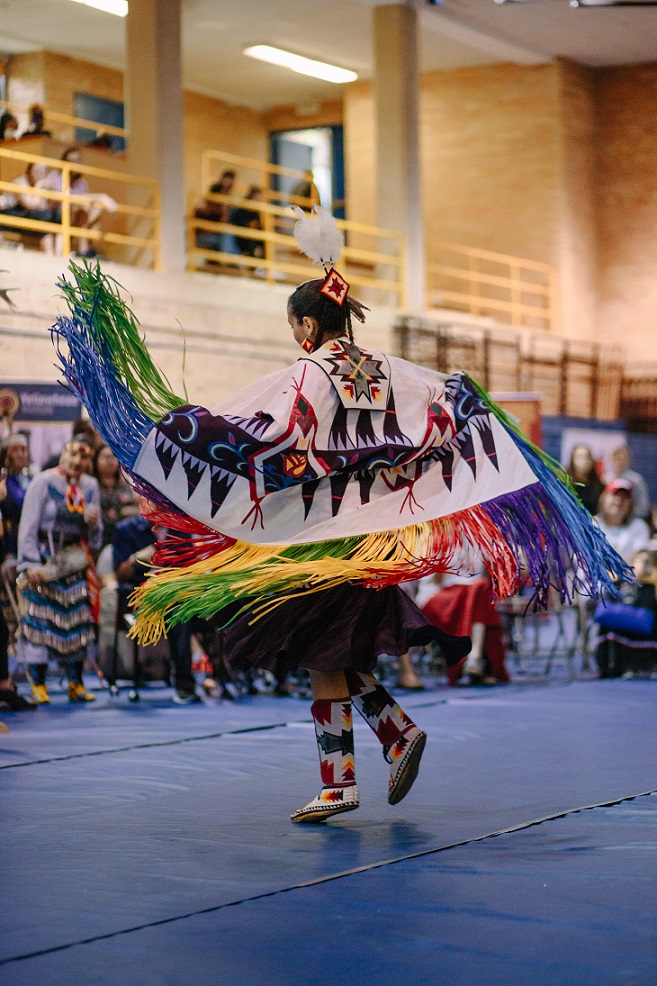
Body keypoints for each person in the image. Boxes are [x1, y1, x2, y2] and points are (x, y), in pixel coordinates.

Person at [52, 219, 630, 823]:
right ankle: (395, 734)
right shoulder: (388, 368)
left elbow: (269, 439)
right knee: (330, 650)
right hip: (368, 541)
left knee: (324, 654)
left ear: (306, 324)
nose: (295, 337)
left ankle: (342, 782)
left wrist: (185, 430)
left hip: (320, 541)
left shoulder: (308, 374)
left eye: (293, 327)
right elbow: (444, 405)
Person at [16, 435, 102, 703]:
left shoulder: (90, 486)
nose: (77, 461)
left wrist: (94, 523)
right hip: (44, 558)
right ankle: (39, 684)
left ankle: (75, 683)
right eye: (73, 454)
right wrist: (29, 564)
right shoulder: (43, 482)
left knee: (76, 621)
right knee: (41, 620)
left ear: (89, 461)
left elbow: (97, 538)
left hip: (74, 562)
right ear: (63, 454)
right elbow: (28, 525)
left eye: (84, 456)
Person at [113, 507, 201, 704]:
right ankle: (184, 684)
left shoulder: (181, 528)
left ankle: (223, 675)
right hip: (141, 601)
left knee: (189, 606)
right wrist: (135, 559)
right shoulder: (127, 529)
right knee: (178, 611)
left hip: (181, 594)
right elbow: (119, 575)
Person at [0, 435, 36, 711]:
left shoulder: (29, 479)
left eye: (25, 449)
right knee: (6, 623)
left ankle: (7, 684)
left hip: (25, 550)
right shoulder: (6, 482)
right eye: (16, 449)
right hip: (7, 551)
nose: (22, 454)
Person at [43, 146, 117, 257]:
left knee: (92, 208)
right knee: (82, 207)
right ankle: (84, 249)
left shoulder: (82, 183)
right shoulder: (55, 177)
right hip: (57, 214)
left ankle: (83, 249)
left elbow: (83, 200)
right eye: (71, 161)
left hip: (76, 218)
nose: (75, 164)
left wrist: (100, 199)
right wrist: (101, 197)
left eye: (77, 161)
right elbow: (66, 199)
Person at [595, 480, 651, 564]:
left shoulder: (638, 526)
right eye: (614, 495)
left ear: (630, 504)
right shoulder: (592, 524)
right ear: (603, 498)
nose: (619, 500)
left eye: (624, 497)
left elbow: (641, 559)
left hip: (628, 576)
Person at [93, 443, 137, 549]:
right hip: (99, 539)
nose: (110, 461)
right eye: (105, 457)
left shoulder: (125, 485)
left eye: (113, 457)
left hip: (124, 539)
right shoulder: (91, 485)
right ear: (96, 460)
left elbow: (136, 507)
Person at [193, 169, 240, 258]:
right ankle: (228, 261)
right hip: (204, 236)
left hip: (217, 235)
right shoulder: (207, 209)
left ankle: (232, 261)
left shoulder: (227, 206)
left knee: (228, 234)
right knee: (227, 234)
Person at [608, 445, 651, 520]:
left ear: (628, 460)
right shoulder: (605, 479)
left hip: (630, 521)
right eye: (616, 459)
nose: (619, 462)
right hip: (608, 521)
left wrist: (625, 517)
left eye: (622, 459)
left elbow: (643, 507)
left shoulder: (636, 480)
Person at [565, 444, 604, 516]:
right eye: (580, 457)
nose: (584, 460)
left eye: (587, 457)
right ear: (572, 460)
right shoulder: (564, 484)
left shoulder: (599, 486)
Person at [229, 185, 264, 260]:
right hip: (242, 238)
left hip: (252, 239)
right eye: (257, 197)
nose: (258, 200)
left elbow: (258, 228)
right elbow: (240, 226)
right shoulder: (241, 211)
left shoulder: (255, 213)